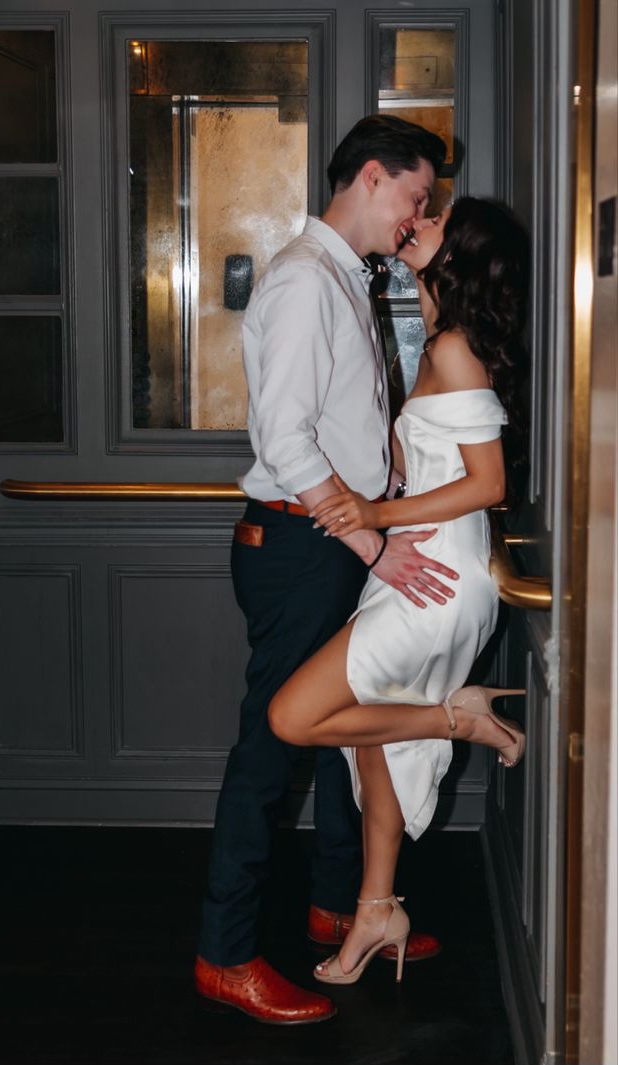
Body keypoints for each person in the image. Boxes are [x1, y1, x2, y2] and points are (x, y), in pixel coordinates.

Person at [194, 115, 456, 1026]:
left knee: (350, 732)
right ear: (375, 177)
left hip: (327, 542)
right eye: (417, 196)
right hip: (302, 547)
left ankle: (337, 903)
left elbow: (357, 424)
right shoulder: (306, 283)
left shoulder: (351, 274)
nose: (419, 214)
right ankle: (224, 953)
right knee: (271, 749)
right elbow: (288, 445)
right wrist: (376, 544)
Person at [268, 196, 529, 987]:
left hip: (438, 581)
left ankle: (458, 716)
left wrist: (375, 513)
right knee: (367, 744)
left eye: (440, 218)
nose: (422, 218)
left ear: (462, 252)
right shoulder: (432, 340)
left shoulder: (455, 350)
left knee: (293, 716)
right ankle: (377, 908)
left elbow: (488, 484)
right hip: (418, 570)